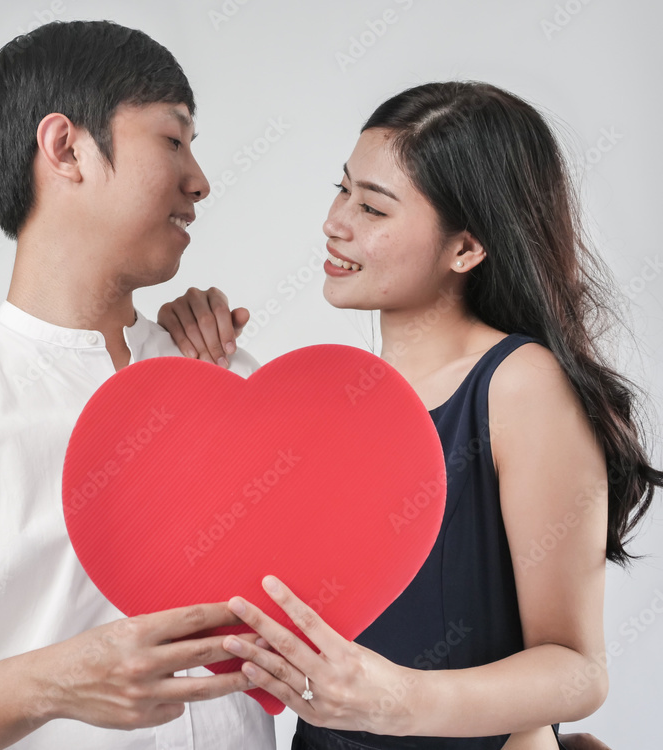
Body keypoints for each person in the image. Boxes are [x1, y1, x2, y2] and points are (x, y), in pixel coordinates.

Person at [157, 82, 663, 749]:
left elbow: (576, 671)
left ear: (466, 249)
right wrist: (189, 353)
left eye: (372, 206)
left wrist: (396, 700)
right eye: (342, 190)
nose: (336, 223)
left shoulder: (519, 386)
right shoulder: (339, 398)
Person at [0, 20, 276, 750]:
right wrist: (60, 681)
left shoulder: (224, 375)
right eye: (173, 139)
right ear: (65, 147)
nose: (200, 179)